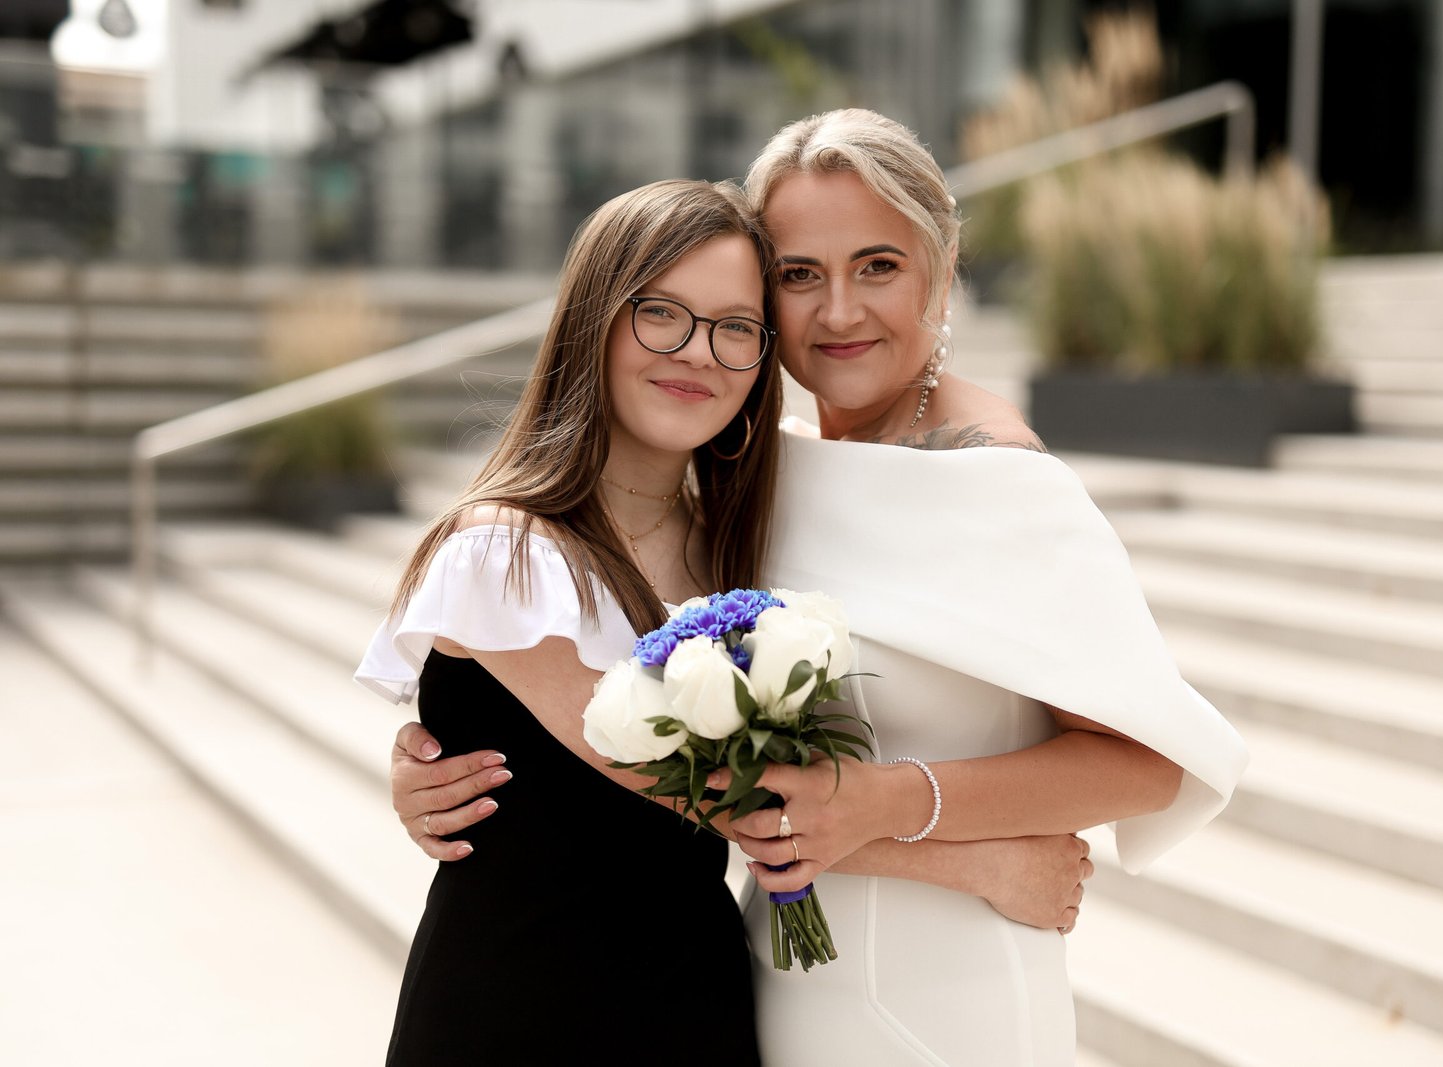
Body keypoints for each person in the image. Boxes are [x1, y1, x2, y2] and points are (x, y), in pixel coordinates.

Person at [387, 110, 1246, 1065]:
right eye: (799, 275)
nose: (839, 312)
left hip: (944, 985)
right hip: (759, 979)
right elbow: (641, 751)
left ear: (940, 267)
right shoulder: (752, 484)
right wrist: (456, 736)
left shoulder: (998, 476)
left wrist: (901, 805)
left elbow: (1147, 762)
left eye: (878, 265)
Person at [353, 179, 783, 1063]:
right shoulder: (504, 551)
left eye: (736, 327)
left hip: (697, 1011)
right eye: (660, 312)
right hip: (518, 1018)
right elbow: (713, 793)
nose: (698, 352)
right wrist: (980, 860)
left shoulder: (739, 550)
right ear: (594, 320)